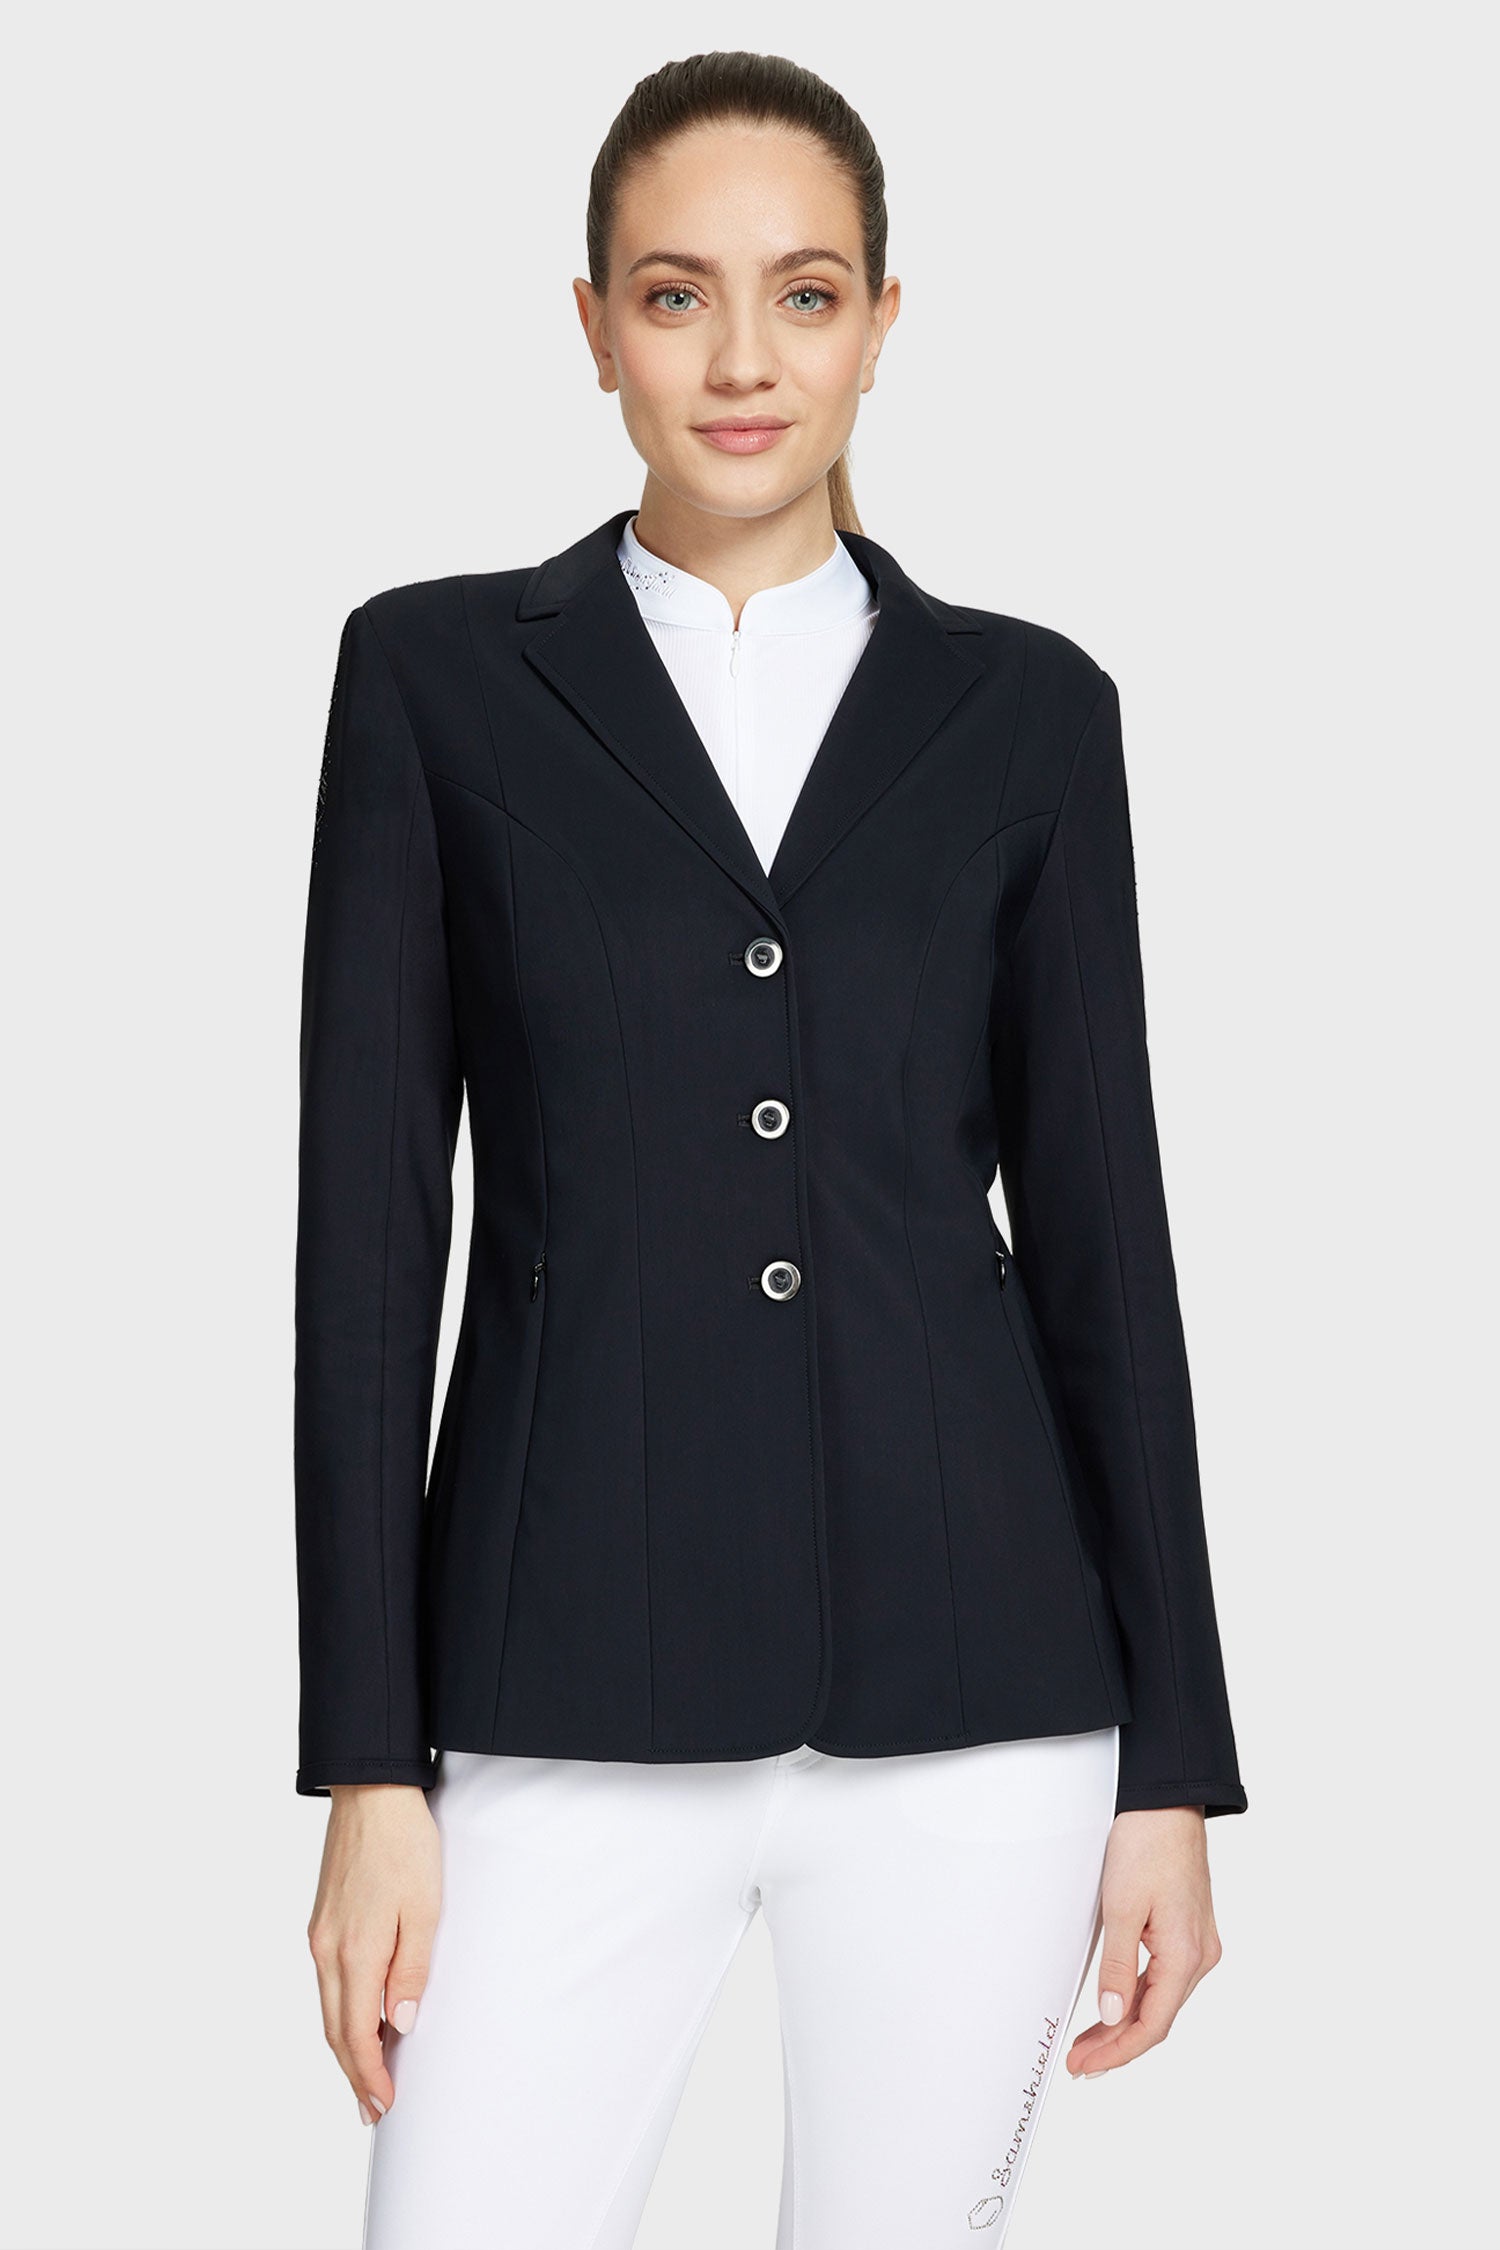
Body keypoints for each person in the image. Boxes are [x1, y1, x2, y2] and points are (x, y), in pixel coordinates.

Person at [296, 49, 1247, 2250]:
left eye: (805, 294)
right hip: (554, 1683)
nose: (743, 359)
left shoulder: (1030, 713)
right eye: (677, 294)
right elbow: (367, 1248)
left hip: (979, 1696)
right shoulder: (436, 679)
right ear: (593, 326)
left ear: (883, 321)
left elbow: (1106, 1252)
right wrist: (366, 1759)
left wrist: (1175, 1766)